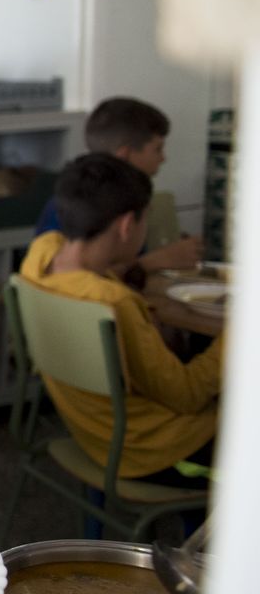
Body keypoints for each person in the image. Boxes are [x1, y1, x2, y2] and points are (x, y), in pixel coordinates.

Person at [20, 153, 223, 485]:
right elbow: (187, 395)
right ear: (128, 225)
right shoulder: (113, 302)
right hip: (158, 450)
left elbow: (86, 274)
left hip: (95, 436)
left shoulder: (40, 257)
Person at [35, 97, 202, 273]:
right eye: (157, 149)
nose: (163, 159)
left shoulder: (128, 201)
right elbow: (64, 278)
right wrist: (151, 262)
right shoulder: (73, 203)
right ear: (124, 156)